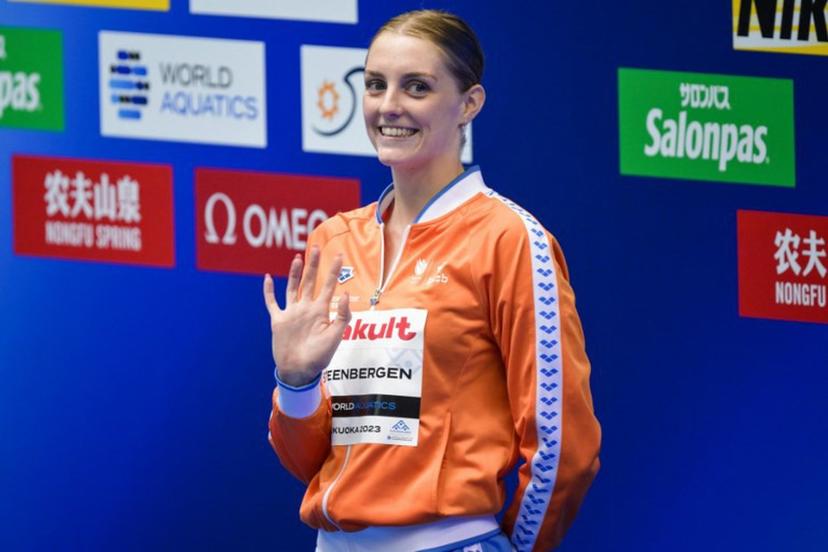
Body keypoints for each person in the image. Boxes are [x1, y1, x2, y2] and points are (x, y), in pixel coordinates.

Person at [263, 9, 600, 552]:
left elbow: (566, 448)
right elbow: (311, 462)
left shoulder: (507, 239)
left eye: (416, 86)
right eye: (376, 84)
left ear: (470, 104)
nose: (388, 106)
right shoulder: (334, 240)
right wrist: (295, 381)